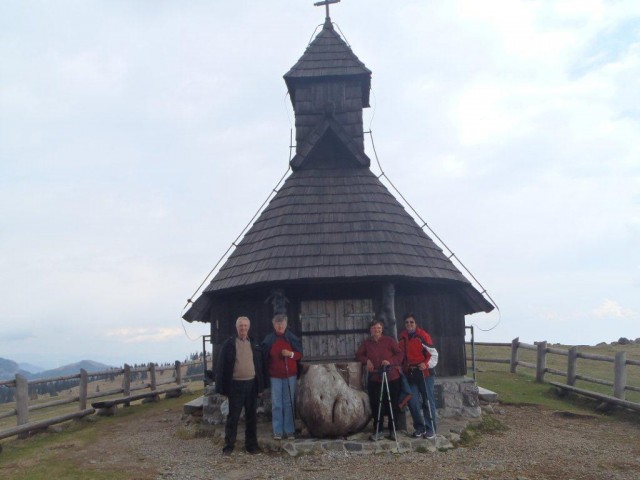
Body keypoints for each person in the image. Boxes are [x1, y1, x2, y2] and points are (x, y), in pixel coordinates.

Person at [215, 316, 265, 455]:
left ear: (248, 327)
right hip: (235, 386)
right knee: (233, 418)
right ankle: (229, 447)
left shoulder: (254, 344)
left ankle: (252, 446)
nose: (243, 328)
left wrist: (261, 387)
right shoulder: (229, 344)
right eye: (240, 326)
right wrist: (222, 388)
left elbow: (260, 367)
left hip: (251, 385)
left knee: (251, 417)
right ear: (236, 328)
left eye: (245, 326)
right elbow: (221, 367)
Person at [355, 319, 403, 441]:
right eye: (374, 328)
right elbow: (358, 355)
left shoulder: (389, 341)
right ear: (370, 330)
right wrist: (367, 361)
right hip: (375, 378)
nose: (376, 330)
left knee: (392, 403)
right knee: (376, 405)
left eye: (379, 328)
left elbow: (399, 355)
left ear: (382, 329)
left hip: (391, 376)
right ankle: (378, 430)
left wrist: (390, 362)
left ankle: (393, 430)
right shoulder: (367, 343)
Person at [261, 314, 303, 440]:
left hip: (290, 375)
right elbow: (264, 358)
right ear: (274, 325)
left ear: (285, 325)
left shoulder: (291, 338)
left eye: (282, 324)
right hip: (275, 376)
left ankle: (289, 431)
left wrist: (290, 354)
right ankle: (277, 431)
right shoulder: (269, 339)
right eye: (278, 324)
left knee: (289, 403)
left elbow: (299, 355)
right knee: (276, 404)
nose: (280, 326)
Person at [398, 313, 439, 439]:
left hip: (424, 374)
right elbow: (400, 355)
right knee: (413, 401)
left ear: (416, 324)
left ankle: (430, 429)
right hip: (410, 374)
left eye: (411, 322)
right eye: (407, 322)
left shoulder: (423, 336)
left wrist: (425, 364)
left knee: (427, 401)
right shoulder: (402, 337)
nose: (409, 324)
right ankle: (419, 428)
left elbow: (433, 354)